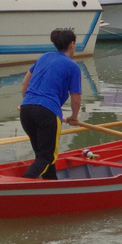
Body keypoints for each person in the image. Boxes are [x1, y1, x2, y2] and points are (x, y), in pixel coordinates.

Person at [19, 28, 82, 179]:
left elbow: (24, 84)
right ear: (72, 44)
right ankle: (21, 186)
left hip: (26, 110)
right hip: (47, 113)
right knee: (46, 157)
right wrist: (74, 117)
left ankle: (51, 187)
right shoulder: (72, 66)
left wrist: (30, 103)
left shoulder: (44, 57)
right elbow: (76, 98)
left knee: (43, 156)